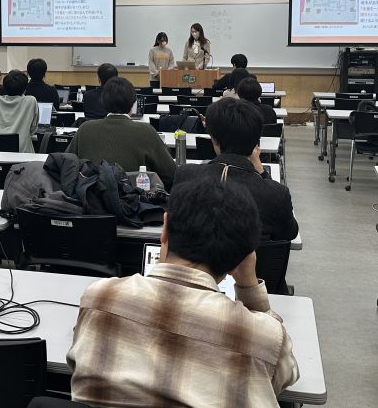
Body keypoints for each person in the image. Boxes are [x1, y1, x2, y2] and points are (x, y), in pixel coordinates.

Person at [68, 169, 299, 406]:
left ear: (164, 229)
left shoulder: (99, 297)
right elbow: (286, 373)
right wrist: (249, 286)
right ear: (241, 260)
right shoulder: (265, 338)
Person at [173, 97, 298, 243]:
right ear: (256, 141)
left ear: (213, 139)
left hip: (197, 257)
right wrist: (263, 173)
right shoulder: (277, 194)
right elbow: (289, 233)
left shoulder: (185, 176)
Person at [66, 77, 176, 187]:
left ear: (103, 101)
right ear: (133, 103)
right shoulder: (147, 131)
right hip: (136, 196)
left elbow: (66, 167)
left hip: (91, 196)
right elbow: (171, 173)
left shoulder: (85, 129)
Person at [0, 70, 38, 153]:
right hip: (23, 154)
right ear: (25, 89)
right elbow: (33, 129)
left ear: (4, 86)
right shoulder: (30, 101)